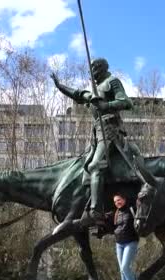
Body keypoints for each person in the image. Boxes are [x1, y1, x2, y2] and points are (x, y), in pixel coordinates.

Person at [50, 58, 136, 226]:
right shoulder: (93, 92)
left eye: (95, 69)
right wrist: (60, 86)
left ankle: (96, 211)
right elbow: (78, 94)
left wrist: (106, 105)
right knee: (82, 165)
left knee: (95, 165)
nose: (92, 73)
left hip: (110, 130)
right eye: (91, 70)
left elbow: (127, 102)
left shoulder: (112, 82)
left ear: (102, 68)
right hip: (97, 133)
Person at [110, 193, 140, 280]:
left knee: (125, 267)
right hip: (119, 244)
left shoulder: (132, 210)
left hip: (130, 242)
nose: (117, 202)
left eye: (119, 200)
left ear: (124, 199)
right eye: (115, 201)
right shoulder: (116, 213)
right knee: (121, 270)